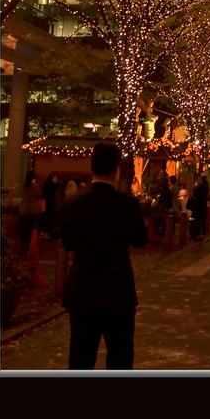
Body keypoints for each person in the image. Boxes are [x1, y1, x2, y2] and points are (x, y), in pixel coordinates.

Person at [60, 141, 148, 370]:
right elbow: (140, 240)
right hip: (117, 289)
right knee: (120, 355)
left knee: (80, 355)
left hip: (82, 288)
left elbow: (67, 244)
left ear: (92, 168)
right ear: (115, 169)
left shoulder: (72, 203)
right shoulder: (127, 204)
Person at [19, 169, 43, 254]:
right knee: (30, 227)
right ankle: (28, 245)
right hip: (32, 210)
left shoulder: (24, 185)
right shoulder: (35, 186)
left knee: (23, 227)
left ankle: (23, 244)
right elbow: (38, 195)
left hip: (23, 209)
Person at [41, 173, 60, 237]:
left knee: (45, 218)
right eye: (55, 178)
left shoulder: (46, 184)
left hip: (46, 204)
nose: (56, 179)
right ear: (52, 178)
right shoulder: (51, 185)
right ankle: (45, 231)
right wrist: (57, 183)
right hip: (50, 204)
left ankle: (43, 232)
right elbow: (56, 190)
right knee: (48, 218)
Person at [191, 176, 210, 241]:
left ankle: (198, 236)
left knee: (197, 222)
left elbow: (193, 196)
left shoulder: (198, 189)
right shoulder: (206, 189)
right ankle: (202, 235)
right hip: (203, 206)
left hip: (197, 207)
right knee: (203, 222)